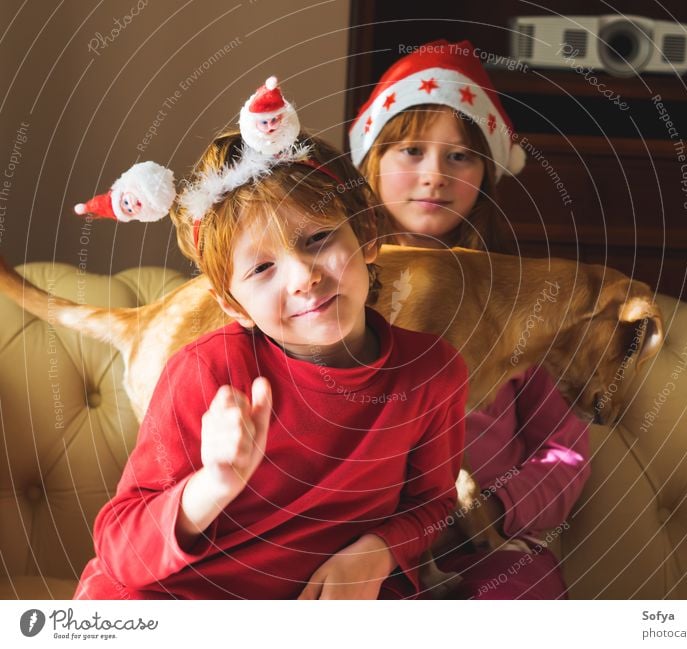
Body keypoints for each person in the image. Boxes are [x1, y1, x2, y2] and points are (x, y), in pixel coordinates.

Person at [74, 76, 467, 600]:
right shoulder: (205, 373)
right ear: (232, 304)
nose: (303, 277)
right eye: (262, 267)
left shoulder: (431, 373)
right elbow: (119, 547)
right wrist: (211, 485)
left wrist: (379, 550)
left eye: (318, 238)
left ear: (367, 234)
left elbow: (430, 505)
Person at [350, 40, 590, 599]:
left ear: (486, 172)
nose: (434, 175)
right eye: (411, 151)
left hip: (486, 549)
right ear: (371, 163)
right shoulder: (330, 292)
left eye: (459, 156)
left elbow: (566, 448)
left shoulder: (521, 303)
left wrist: (496, 511)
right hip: (362, 542)